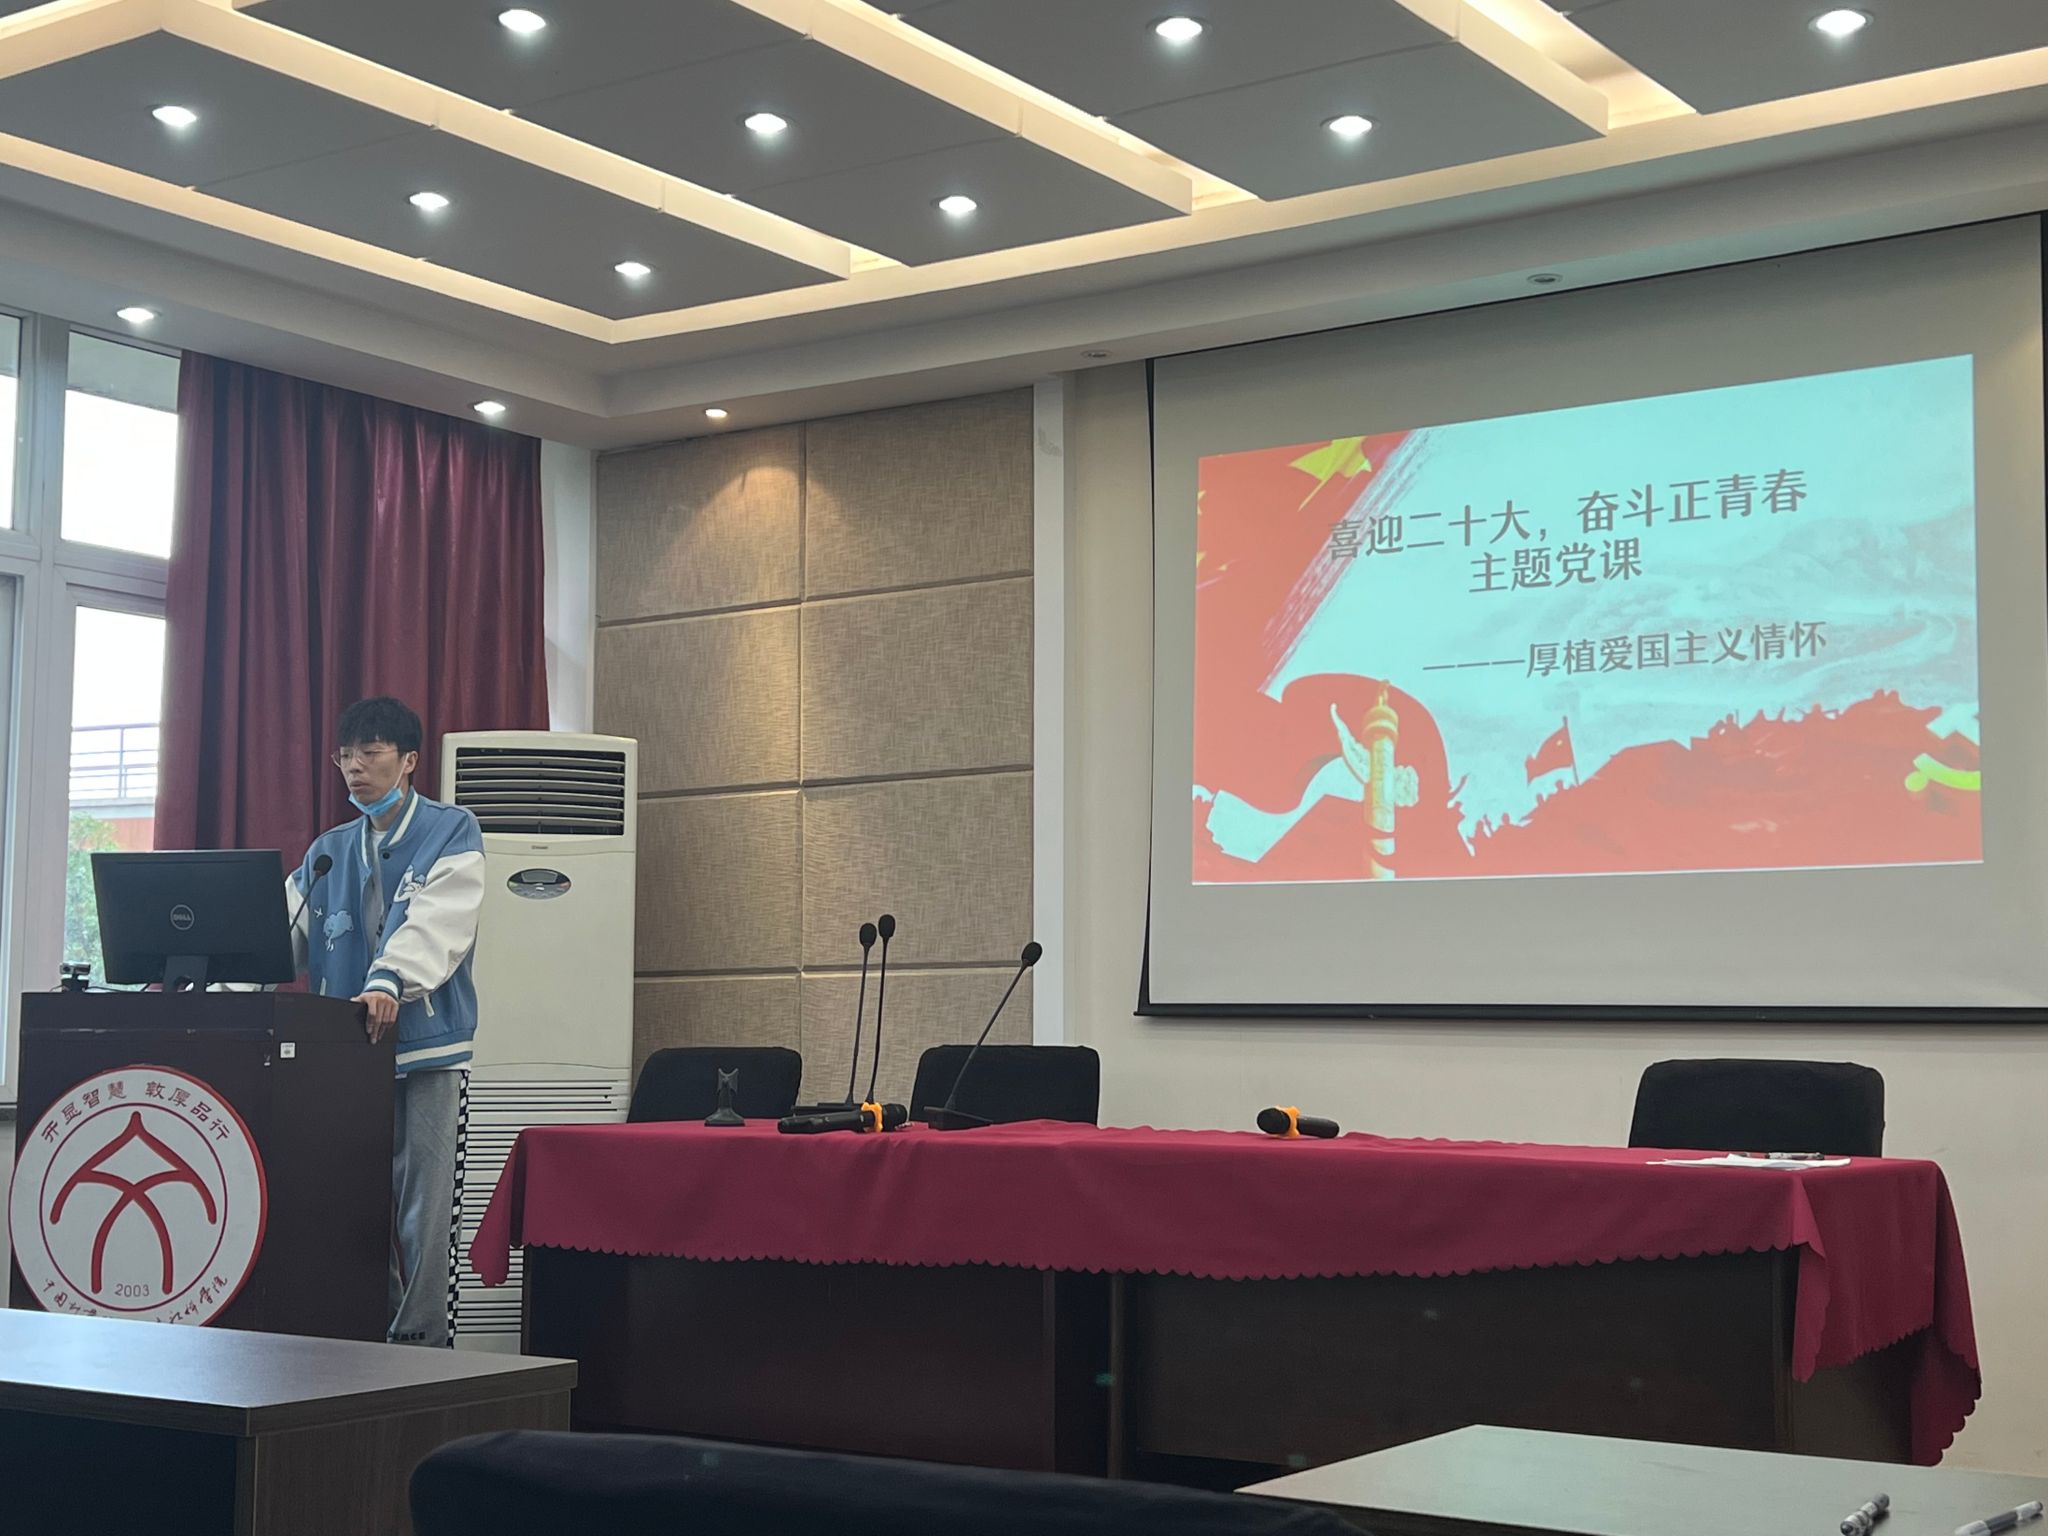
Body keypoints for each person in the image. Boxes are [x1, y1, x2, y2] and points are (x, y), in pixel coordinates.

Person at [284, 696, 484, 1347]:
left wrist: (389, 978)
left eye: (370, 753)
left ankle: (423, 1344)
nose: (355, 767)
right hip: (348, 1057)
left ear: (409, 761)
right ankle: (372, 1334)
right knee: (354, 1202)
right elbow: (279, 934)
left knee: (425, 1212)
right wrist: (216, 976)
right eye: (345, 755)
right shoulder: (328, 851)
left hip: (426, 1051)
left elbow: (437, 923)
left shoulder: (451, 831)